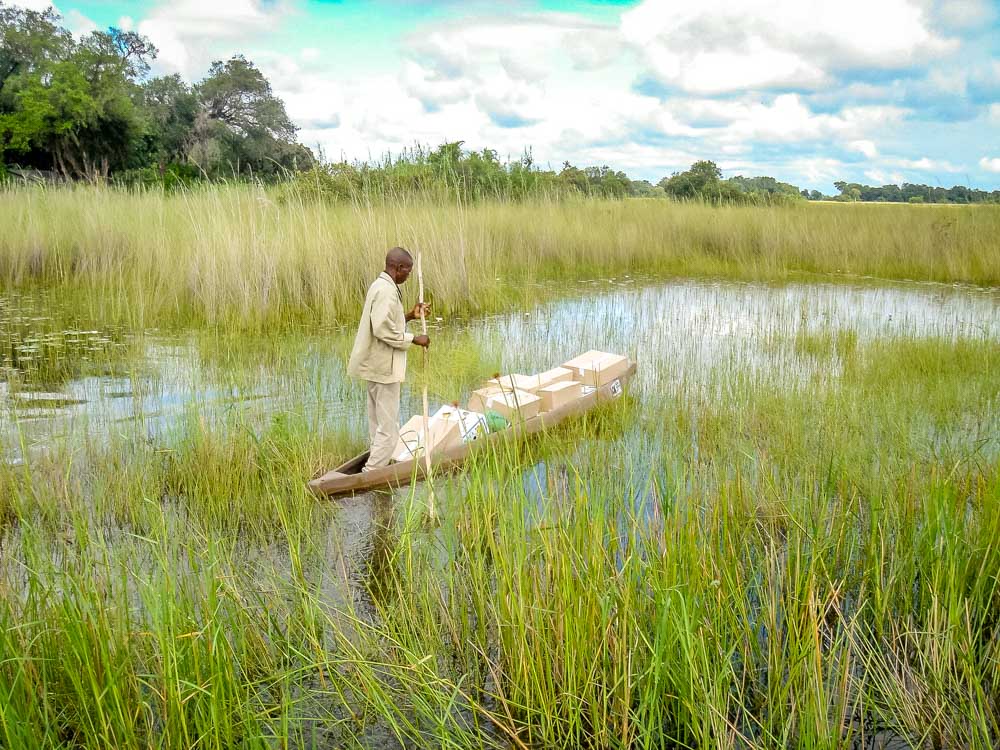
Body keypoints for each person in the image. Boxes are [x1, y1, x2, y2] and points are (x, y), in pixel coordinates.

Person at [347, 247, 430, 471]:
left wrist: (411, 316)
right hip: (384, 368)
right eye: (407, 271)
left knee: (378, 425)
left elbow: (386, 321)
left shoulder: (381, 285)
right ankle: (371, 473)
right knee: (389, 430)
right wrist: (414, 339)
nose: (408, 276)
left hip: (376, 366)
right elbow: (383, 329)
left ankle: (374, 465)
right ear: (398, 268)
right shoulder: (386, 291)